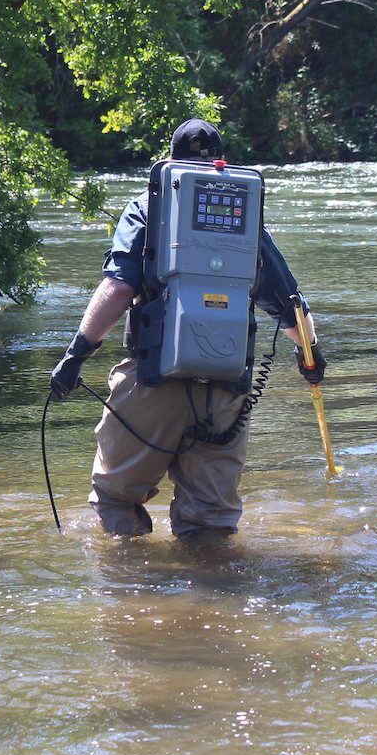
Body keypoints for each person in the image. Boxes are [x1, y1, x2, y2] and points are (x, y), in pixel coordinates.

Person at [48, 119, 324, 538]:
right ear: (220, 163)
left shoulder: (147, 207)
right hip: (225, 391)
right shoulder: (247, 218)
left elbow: (120, 288)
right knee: (210, 521)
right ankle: (210, 597)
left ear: (172, 163)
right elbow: (290, 305)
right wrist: (311, 355)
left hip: (153, 382)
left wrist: (75, 356)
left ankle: (131, 592)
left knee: (115, 499)